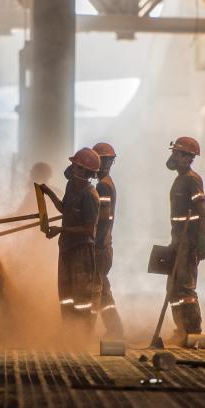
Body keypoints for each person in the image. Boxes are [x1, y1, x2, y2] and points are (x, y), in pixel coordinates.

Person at [40, 148, 101, 329]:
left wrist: (61, 229)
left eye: (76, 165)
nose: (72, 168)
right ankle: (68, 332)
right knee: (66, 294)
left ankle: (82, 334)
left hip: (81, 252)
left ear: (85, 171)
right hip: (66, 247)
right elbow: (64, 209)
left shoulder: (90, 196)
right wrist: (49, 193)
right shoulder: (71, 186)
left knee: (81, 297)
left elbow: (89, 230)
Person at [165, 136, 205, 345]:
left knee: (185, 288)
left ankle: (193, 331)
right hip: (178, 241)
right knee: (173, 289)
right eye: (174, 152)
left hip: (188, 242)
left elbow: (203, 211)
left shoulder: (192, 179)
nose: (174, 156)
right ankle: (181, 330)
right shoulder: (179, 179)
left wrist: (201, 240)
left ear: (188, 157)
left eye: (178, 153)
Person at [91, 142, 124, 339]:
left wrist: (95, 243)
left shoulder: (103, 186)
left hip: (100, 246)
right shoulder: (107, 183)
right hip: (104, 245)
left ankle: (115, 328)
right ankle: (114, 328)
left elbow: (103, 218)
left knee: (100, 289)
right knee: (102, 289)